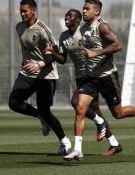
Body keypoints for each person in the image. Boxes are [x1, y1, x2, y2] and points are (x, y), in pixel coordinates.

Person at [63, 0, 135, 161]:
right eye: (83, 8)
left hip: (107, 76)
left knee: (118, 113)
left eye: (87, 9)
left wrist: (96, 53)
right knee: (80, 108)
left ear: (96, 11)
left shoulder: (102, 26)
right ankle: (77, 149)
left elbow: (118, 45)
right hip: (90, 77)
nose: (84, 11)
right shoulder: (84, 28)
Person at [48, 9, 122, 156]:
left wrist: (101, 62)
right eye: (66, 15)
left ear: (78, 20)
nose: (67, 17)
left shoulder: (84, 33)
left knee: (76, 102)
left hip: (92, 75)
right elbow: (63, 60)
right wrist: (52, 53)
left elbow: (108, 48)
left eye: (71, 16)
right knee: (95, 111)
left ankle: (98, 127)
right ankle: (114, 142)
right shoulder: (63, 36)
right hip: (80, 77)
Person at [8, 0, 71, 155]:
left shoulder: (43, 29)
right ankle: (40, 117)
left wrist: (40, 64)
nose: (22, 14)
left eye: (25, 11)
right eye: (21, 11)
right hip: (28, 73)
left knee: (45, 111)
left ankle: (65, 142)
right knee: (14, 102)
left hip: (46, 75)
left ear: (33, 11)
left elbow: (57, 55)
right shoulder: (19, 27)